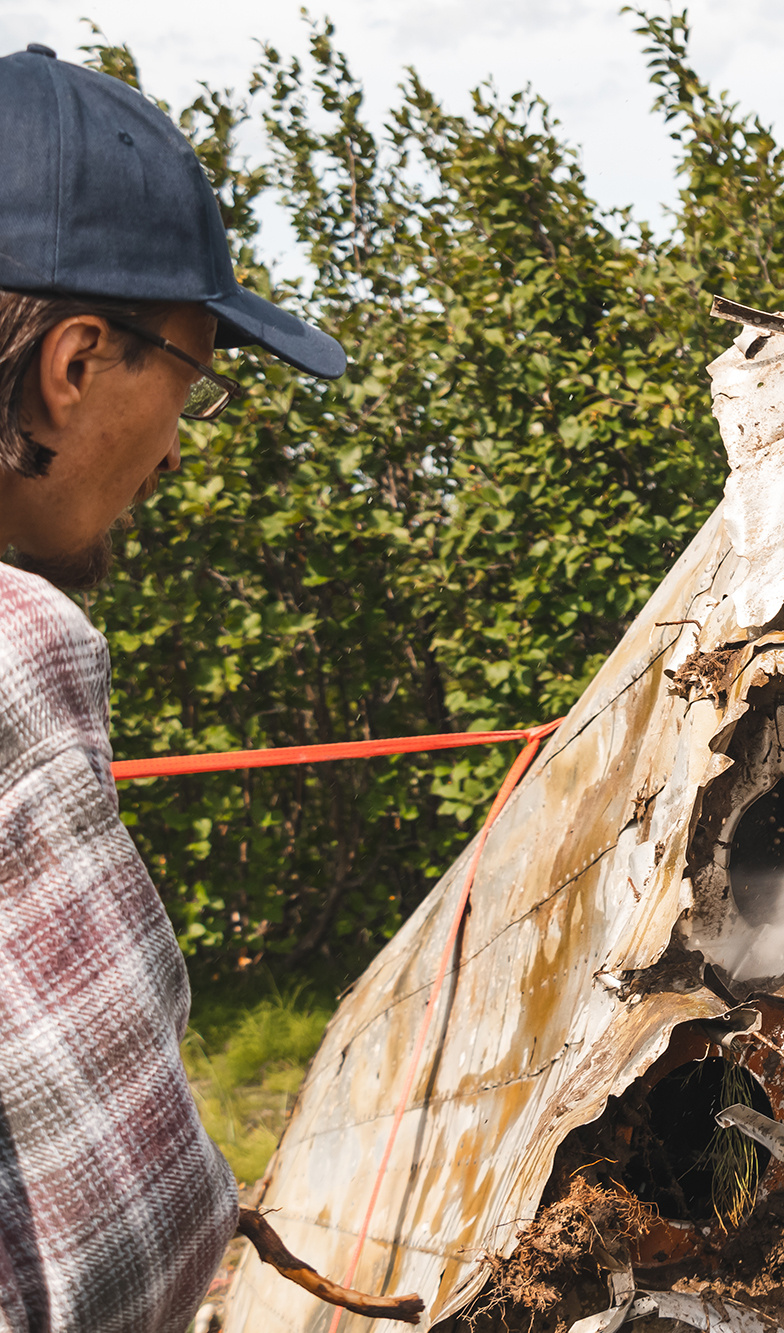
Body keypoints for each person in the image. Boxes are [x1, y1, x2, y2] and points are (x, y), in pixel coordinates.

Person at [0, 43, 345, 1333]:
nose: (175, 450)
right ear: (75, 363)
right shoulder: (15, 647)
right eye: (187, 377)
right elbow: (123, 1236)